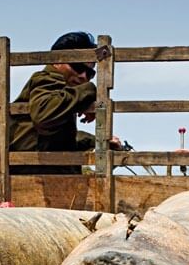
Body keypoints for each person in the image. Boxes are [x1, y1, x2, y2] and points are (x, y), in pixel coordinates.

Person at [9, 31, 118, 175]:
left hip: (46, 177)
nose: (83, 76)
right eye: (78, 67)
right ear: (57, 60)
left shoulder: (64, 94)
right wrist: (89, 90)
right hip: (33, 177)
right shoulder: (47, 78)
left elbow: (61, 140)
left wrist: (98, 142)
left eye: (90, 73)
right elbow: (44, 115)